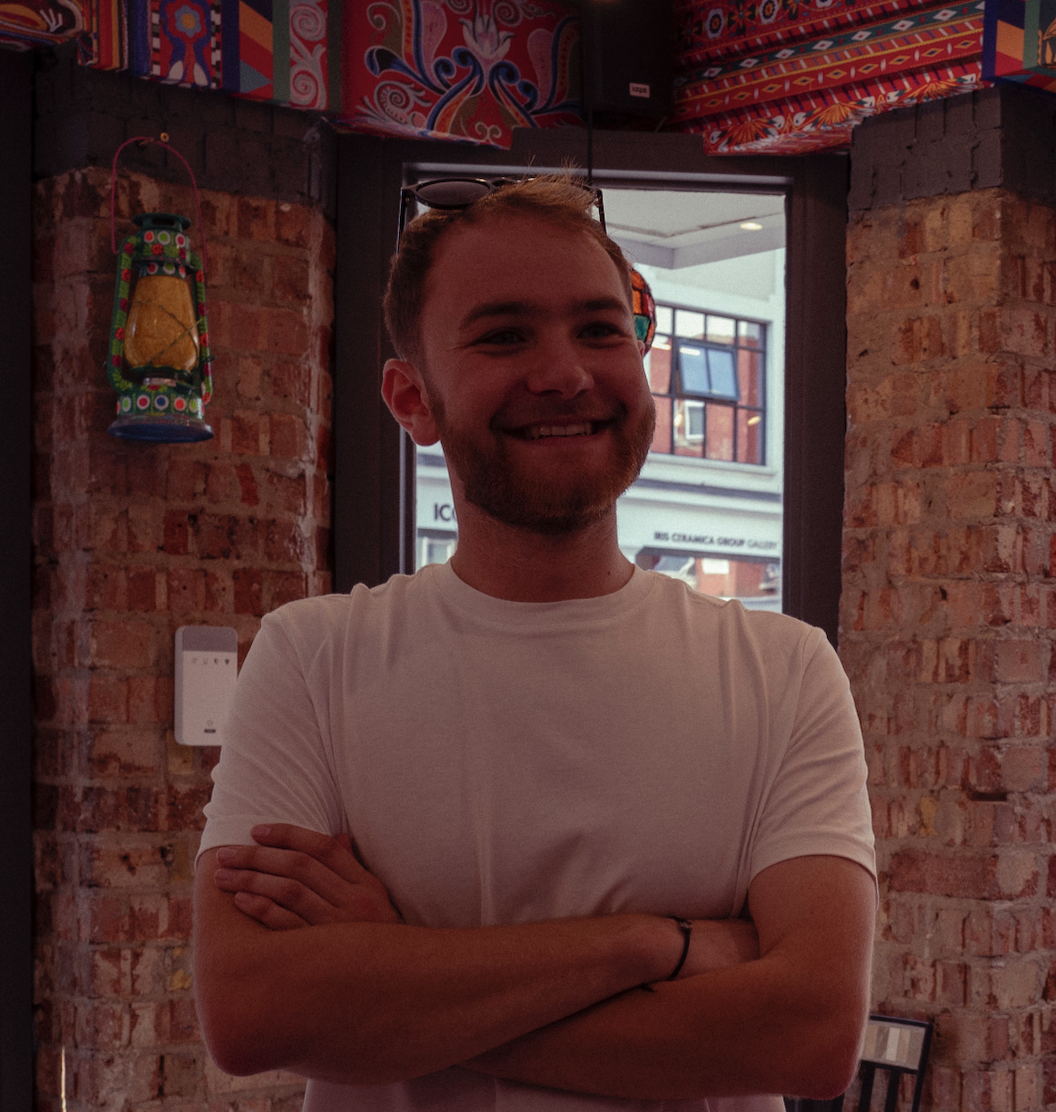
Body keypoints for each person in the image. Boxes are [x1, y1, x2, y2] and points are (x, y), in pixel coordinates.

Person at [193, 177, 877, 1112]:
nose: (564, 372)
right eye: (503, 335)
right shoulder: (312, 659)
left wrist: (399, 977)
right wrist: (654, 944)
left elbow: (811, 1034)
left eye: (601, 330)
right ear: (411, 399)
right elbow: (253, 1013)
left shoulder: (786, 672)